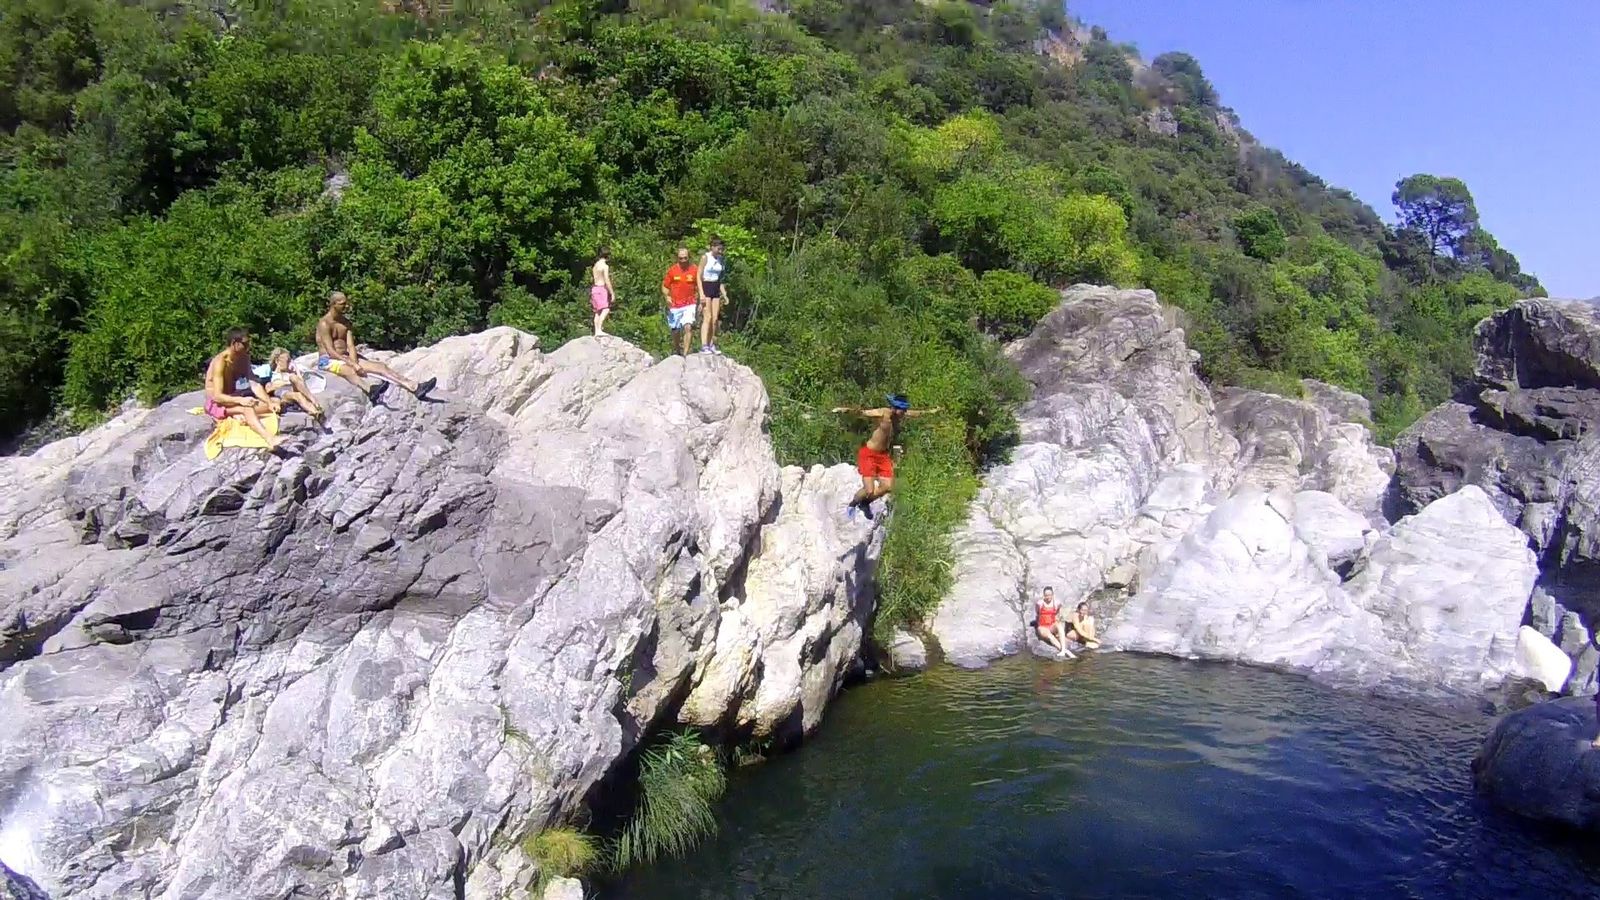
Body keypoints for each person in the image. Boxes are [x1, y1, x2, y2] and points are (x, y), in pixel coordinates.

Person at [830, 393, 941, 520]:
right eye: (901, 409)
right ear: (893, 407)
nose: (903, 413)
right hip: (869, 454)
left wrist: (933, 412)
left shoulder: (901, 415)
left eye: (904, 410)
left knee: (888, 486)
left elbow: (918, 414)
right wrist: (844, 410)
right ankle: (853, 504)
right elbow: (862, 413)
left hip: (883, 456)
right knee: (869, 490)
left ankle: (865, 503)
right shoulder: (883, 412)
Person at [314, 291, 436, 402]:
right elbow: (330, 350)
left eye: (347, 303)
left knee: (381, 367)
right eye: (342, 304)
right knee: (349, 370)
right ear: (333, 304)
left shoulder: (346, 323)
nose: (346, 306)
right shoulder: (324, 323)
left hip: (344, 357)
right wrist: (352, 364)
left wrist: (354, 361)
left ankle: (414, 387)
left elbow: (350, 346)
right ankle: (369, 389)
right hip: (328, 360)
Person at [204, 328, 287, 451]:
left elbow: (254, 383)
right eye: (245, 344)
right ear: (234, 343)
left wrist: (269, 403)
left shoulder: (244, 358)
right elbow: (217, 396)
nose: (248, 347)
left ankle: (238, 413)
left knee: (275, 402)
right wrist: (240, 401)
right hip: (218, 403)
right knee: (247, 408)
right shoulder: (220, 362)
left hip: (233, 398)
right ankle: (269, 439)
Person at [266, 348, 324, 421]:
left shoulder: (291, 373)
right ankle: (315, 410)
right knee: (297, 394)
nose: (290, 362)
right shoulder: (274, 374)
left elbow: (301, 382)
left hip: (292, 389)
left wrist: (296, 369)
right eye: (288, 361)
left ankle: (315, 407)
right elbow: (272, 386)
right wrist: (285, 382)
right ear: (277, 361)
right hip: (283, 393)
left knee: (295, 381)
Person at [661, 247, 699, 357]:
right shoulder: (672, 270)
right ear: (677, 258)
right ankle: (677, 351)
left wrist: (700, 300)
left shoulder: (694, 270)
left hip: (689, 303)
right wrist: (666, 296)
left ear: (689, 257)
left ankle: (686, 354)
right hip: (675, 304)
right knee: (675, 330)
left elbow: (699, 285)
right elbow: (665, 286)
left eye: (685, 258)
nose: (683, 260)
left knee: (688, 326)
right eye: (680, 258)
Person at [698, 237, 729, 354]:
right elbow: (698, 276)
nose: (720, 251)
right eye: (718, 249)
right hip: (706, 286)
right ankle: (704, 344)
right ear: (712, 247)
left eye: (722, 249)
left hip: (715, 287)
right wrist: (701, 293)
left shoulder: (720, 259)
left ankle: (711, 344)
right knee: (708, 317)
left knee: (715, 319)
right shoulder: (705, 258)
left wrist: (724, 294)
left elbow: (720, 279)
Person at [1036, 587, 1073, 658]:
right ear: (1043, 595)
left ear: (1053, 595)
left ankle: (1062, 650)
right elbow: (1037, 613)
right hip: (1043, 626)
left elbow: (1058, 612)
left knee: (1059, 626)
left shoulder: (1057, 603)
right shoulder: (1039, 603)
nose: (1048, 597)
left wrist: (1058, 619)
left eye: (1050, 595)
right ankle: (1066, 652)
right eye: (1046, 595)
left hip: (1051, 625)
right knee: (1050, 636)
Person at [590, 247, 614, 337]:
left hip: (594, 289)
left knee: (597, 311)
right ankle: (599, 329)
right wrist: (612, 293)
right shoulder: (605, 266)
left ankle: (596, 331)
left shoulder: (595, 265)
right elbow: (607, 280)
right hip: (601, 289)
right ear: (607, 256)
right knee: (606, 308)